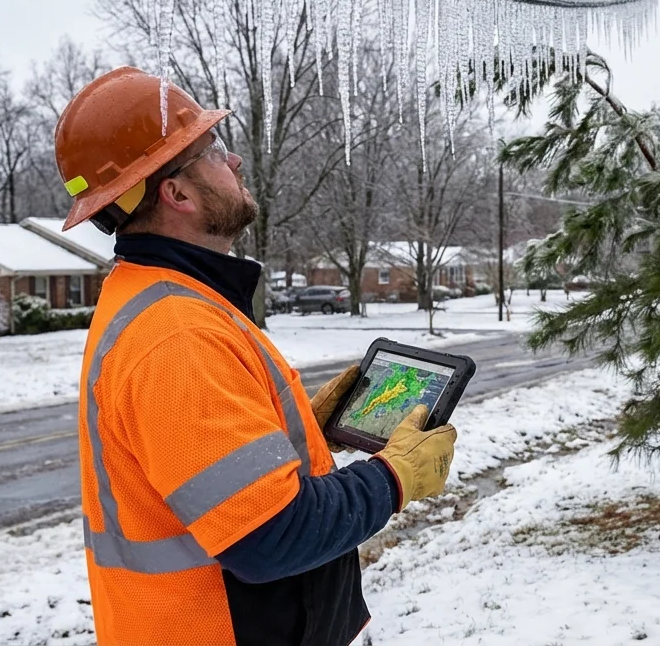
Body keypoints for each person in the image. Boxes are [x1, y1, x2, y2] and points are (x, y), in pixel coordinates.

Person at [54, 67, 457, 645]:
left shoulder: (160, 296)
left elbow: (193, 470)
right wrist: (396, 476)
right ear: (179, 193)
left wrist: (298, 435)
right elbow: (270, 536)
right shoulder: (177, 333)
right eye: (214, 150)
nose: (236, 161)